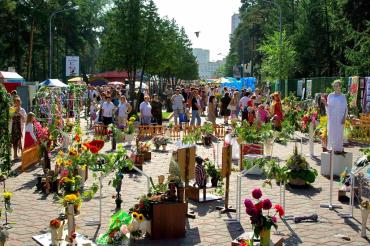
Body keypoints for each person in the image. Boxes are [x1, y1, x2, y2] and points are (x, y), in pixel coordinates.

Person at [322, 80, 348, 153]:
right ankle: (332, 148)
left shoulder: (343, 96)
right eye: (334, 86)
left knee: (339, 132)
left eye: (337, 86)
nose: (335, 87)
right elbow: (328, 106)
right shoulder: (330, 95)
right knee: (331, 132)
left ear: (340, 86)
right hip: (332, 117)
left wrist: (344, 118)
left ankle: (338, 149)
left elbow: (346, 108)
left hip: (340, 117)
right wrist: (324, 103)